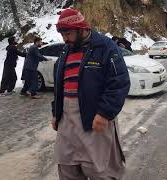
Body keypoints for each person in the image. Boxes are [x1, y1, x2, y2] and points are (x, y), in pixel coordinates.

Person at [51, 8, 130, 180]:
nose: (65, 39)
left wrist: (104, 113)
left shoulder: (105, 47)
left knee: (99, 170)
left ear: (81, 29)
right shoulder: (66, 51)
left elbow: (119, 82)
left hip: (94, 120)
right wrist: (55, 113)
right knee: (67, 167)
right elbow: (59, 85)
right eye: (62, 34)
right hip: (67, 122)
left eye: (68, 33)